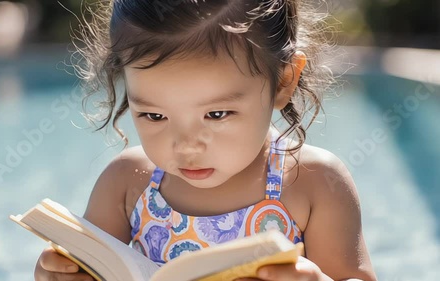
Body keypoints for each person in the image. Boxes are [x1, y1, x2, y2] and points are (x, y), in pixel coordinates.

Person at [35, 0, 377, 280]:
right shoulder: (126, 183)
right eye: (155, 116)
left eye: (216, 115)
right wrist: (61, 274)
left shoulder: (314, 183)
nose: (185, 146)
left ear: (284, 81)